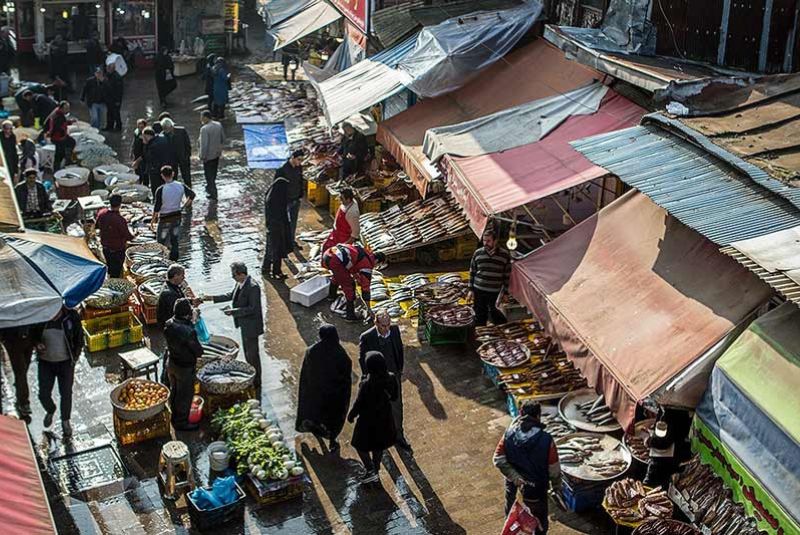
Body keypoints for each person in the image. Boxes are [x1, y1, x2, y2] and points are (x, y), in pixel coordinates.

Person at [493, 401, 561, 533]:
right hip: (535, 488)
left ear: (520, 414)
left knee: (512, 515)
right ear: (538, 416)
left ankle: (513, 529)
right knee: (539, 522)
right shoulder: (546, 439)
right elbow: (554, 469)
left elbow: (498, 459)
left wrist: (515, 477)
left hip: (513, 485)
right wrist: (556, 487)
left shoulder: (508, 434)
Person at [204, 262, 264, 390]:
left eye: (234, 275)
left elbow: (253, 309)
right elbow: (230, 295)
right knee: (248, 353)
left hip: (252, 326)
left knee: (253, 355)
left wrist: (234, 312)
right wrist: (210, 298)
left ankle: (257, 381)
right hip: (244, 324)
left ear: (241, 274)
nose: (233, 278)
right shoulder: (240, 283)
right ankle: (251, 377)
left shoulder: (253, 287)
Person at [359, 310, 411, 452]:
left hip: (393, 378)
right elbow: (363, 360)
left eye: (388, 324)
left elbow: (399, 350)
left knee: (396, 407)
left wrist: (399, 370)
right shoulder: (367, 337)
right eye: (383, 326)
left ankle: (398, 436)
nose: (386, 328)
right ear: (376, 323)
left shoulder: (394, 331)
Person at [295, 324, 352, 452]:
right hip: (334, 396)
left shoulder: (311, 351)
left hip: (316, 393)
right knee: (332, 419)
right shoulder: (341, 354)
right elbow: (346, 377)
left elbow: (306, 373)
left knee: (316, 414)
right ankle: (332, 439)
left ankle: (315, 429)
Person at [32, 307, 83, 438]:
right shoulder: (40, 317)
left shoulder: (70, 317)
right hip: (46, 363)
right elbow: (33, 335)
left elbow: (79, 338)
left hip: (65, 363)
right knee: (43, 393)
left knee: (66, 393)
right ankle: (50, 409)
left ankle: (65, 421)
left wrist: (75, 357)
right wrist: (37, 344)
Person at [348, 351, 398, 483]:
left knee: (359, 445)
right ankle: (375, 469)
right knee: (379, 446)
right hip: (385, 418)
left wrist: (351, 415)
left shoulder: (366, 384)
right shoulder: (391, 378)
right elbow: (394, 397)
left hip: (368, 420)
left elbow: (359, 403)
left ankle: (370, 469)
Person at [163, 298, 203, 431]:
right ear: (187, 314)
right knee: (185, 396)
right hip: (184, 368)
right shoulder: (188, 331)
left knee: (175, 391)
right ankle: (181, 422)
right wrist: (193, 324)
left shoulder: (169, 323)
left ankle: (173, 416)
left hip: (172, 363)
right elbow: (198, 351)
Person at [321, 243, 384, 322]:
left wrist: (357, 277)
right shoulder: (367, 265)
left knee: (338, 276)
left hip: (328, 254)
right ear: (377, 260)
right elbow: (365, 288)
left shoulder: (365, 252)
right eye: (378, 265)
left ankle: (331, 296)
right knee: (350, 285)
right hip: (336, 260)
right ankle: (350, 316)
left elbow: (352, 263)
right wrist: (369, 308)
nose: (376, 266)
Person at [469, 228, 511, 327]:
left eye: (488, 241)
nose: (485, 243)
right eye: (484, 240)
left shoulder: (504, 255)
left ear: (495, 241)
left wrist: (505, 292)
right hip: (479, 290)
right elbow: (472, 271)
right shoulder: (478, 253)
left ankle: (501, 333)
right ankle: (480, 333)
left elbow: (507, 275)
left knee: (495, 311)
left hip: (494, 291)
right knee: (479, 314)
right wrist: (470, 289)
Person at [152, 166, 195, 261]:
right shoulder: (180, 185)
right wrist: (184, 206)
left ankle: (162, 260)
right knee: (174, 240)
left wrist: (153, 219)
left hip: (164, 219)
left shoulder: (161, 189)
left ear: (162, 176)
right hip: (177, 217)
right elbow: (192, 195)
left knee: (161, 241)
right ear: (173, 174)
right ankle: (174, 260)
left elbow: (157, 207)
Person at [0, 326, 36, 418]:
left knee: (23, 371)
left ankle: (21, 393)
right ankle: (23, 402)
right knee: (20, 372)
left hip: (28, 339)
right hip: (12, 341)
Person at [95, 194, 134, 278]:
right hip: (117, 251)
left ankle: (111, 278)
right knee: (116, 270)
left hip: (105, 248)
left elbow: (97, 226)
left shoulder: (102, 213)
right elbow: (128, 236)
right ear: (120, 204)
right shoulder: (120, 220)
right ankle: (114, 284)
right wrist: (135, 235)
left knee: (110, 266)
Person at [262, 171, 291, 279]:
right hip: (276, 228)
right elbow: (281, 214)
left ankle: (266, 268)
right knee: (277, 249)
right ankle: (276, 271)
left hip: (271, 227)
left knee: (269, 248)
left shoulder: (271, 196)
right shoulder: (276, 202)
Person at [278, 150, 304, 246]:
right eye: (298, 159)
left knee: (293, 222)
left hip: (296, 199)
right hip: (286, 201)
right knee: (285, 223)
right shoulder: (282, 169)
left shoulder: (299, 168)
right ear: (292, 157)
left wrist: (301, 195)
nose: (299, 162)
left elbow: (300, 181)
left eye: (301, 160)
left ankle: (291, 241)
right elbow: (277, 187)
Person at [321, 187, 359, 252]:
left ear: (348, 199)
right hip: (336, 233)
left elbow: (355, 233)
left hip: (343, 238)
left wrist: (343, 246)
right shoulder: (346, 203)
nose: (339, 200)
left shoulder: (352, 212)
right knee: (325, 247)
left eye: (341, 199)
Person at [198, 110, 224, 200]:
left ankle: (213, 193)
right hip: (216, 154)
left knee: (209, 175)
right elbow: (222, 138)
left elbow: (204, 145)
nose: (200, 119)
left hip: (208, 156)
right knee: (213, 173)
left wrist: (202, 156)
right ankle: (210, 188)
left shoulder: (204, 129)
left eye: (201, 117)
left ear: (205, 117)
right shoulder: (218, 125)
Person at [143, 127, 176, 196]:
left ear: (147, 136)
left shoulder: (152, 145)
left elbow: (148, 158)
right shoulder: (162, 138)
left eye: (143, 136)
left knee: (156, 189)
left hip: (156, 171)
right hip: (166, 167)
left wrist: (146, 144)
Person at [161, 117, 192, 186]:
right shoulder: (162, 135)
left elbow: (187, 144)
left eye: (167, 128)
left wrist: (187, 156)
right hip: (171, 160)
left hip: (183, 158)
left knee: (187, 177)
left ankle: (189, 193)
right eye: (164, 128)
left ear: (172, 126)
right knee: (173, 178)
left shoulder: (181, 131)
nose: (166, 130)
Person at [45, 101, 76, 170]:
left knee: (72, 142)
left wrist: (70, 122)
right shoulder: (57, 116)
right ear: (61, 108)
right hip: (58, 138)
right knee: (59, 155)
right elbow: (56, 128)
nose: (68, 110)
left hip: (62, 136)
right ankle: (57, 169)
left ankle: (68, 158)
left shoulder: (60, 114)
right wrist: (62, 135)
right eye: (66, 108)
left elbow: (63, 123)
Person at [104, 61, 124, 131]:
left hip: (115, 99)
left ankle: (118, 127)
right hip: (109, 98)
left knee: (116, 113)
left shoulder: (117, 77)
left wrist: (118, 100)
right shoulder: (108, 75)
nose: (107, 69)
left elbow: (119, 90)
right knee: (109, 113)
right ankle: (109, 126)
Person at [130, 118, 147, 184]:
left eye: (142, 127)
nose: (140, 129)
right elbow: (134, 142)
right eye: (139, 127)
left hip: (143, 159)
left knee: (144, 174)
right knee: (137, 173)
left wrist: (137, 161)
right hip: (136, 155)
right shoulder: (136, 132)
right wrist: (131, 152)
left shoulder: (146, 136)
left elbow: (145, 152)